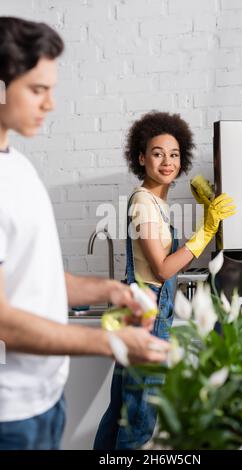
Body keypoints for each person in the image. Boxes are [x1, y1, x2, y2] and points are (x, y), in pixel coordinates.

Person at [0, 17, 170, 451]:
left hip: (45, 402)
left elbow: (32, 283)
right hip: (9, 416)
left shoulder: (17, 166)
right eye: (37, 89)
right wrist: (111, 341)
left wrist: (111, 290)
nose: (51, 104)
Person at [94, 111, 236, 450]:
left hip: (141, 311)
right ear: (141, 158)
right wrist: (206, 231)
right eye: (157, 153)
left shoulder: (155, 202)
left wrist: (205, 218)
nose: (167, 161)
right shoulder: (143, 203)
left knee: (121, 410)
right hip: (150, 315)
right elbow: (162, 268)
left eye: (174, 154)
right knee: (140, 417)